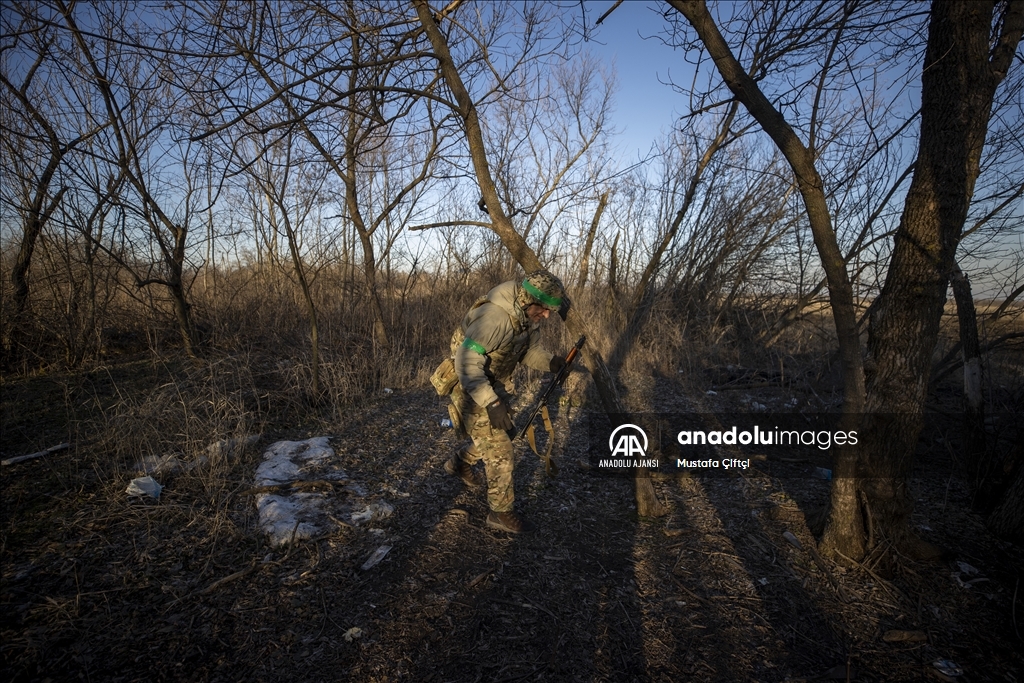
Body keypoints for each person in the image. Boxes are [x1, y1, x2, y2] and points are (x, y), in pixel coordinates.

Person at [444, 270, 569, 533]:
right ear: (527, 299)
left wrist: (551, 362)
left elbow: (529, 351)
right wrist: (490, 402)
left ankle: (460, 462)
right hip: (467, 382)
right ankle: (499, 513)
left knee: (501, 435)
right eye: (543, 309)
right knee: (501, 451)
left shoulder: (526, 316)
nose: (546, 315)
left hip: (490, 381)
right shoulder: (495, 318)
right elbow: (466, 361)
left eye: (549, 310)